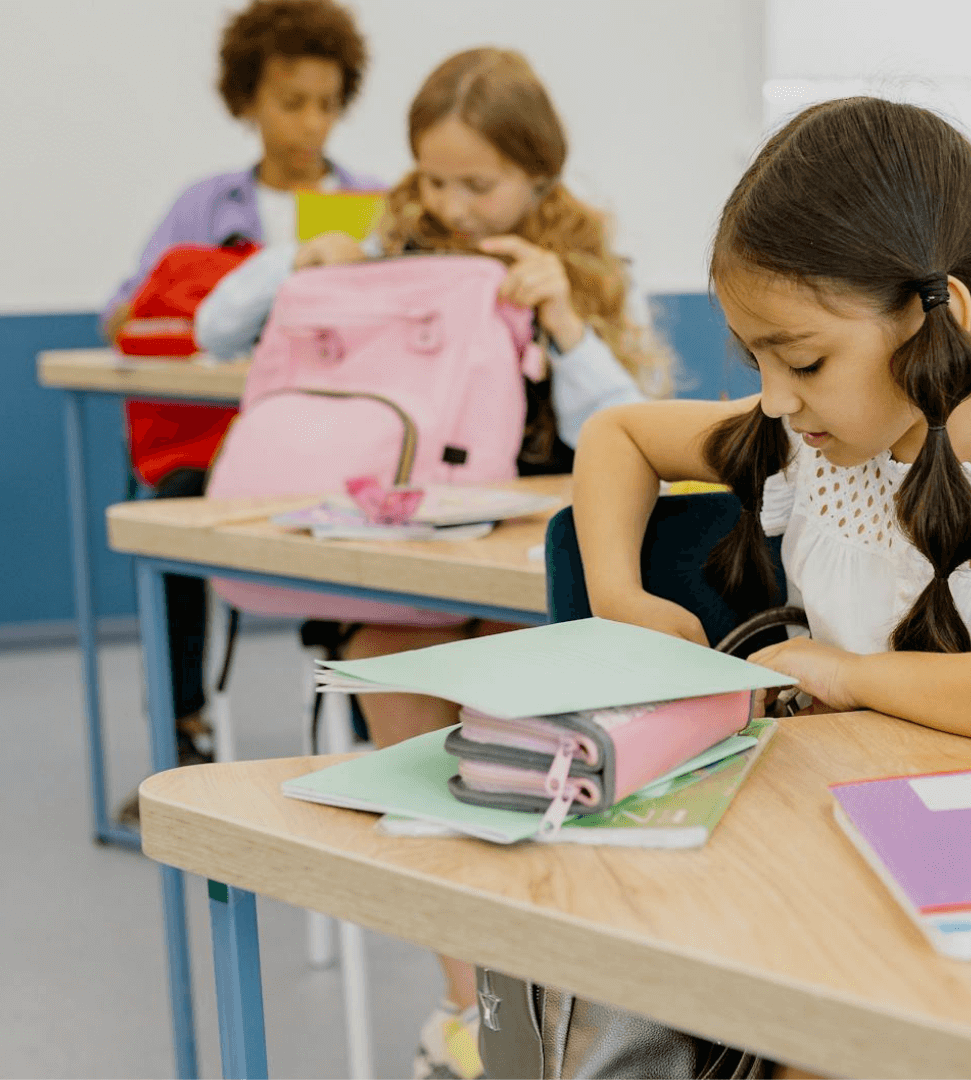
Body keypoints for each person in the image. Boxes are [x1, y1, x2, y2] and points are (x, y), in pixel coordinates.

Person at [195, 47, 666, 1080]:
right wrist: (305, 263)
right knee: (406, 711)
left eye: (479, 183)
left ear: (541, 175)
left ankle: (549, 998)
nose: (451, 205)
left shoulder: (576, 261)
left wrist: (564, 320)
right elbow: (214, 327)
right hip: (405, 568)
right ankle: (481, 1017)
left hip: (527, 580)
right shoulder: (378, 235)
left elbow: (629, 429)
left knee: (511, 731)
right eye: (436, 177)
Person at [574, 96, 971, 760]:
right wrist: (619, 597)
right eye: (759, 362)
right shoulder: (806, 442)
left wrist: (849, 675)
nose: (775, 399)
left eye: (806, 363)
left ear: (940, 319)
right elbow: (618, 437)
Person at [103, 0, 378, 825]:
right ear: (247, 100)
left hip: (337, 448)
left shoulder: (375, 202)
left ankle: (377, 730)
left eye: (327, 102)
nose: (311, 122)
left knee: (383, 520)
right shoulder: (203, 206)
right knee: (171, 515)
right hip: (220, 448)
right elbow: (123, 316)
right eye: (291, 101)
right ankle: (182, 739)